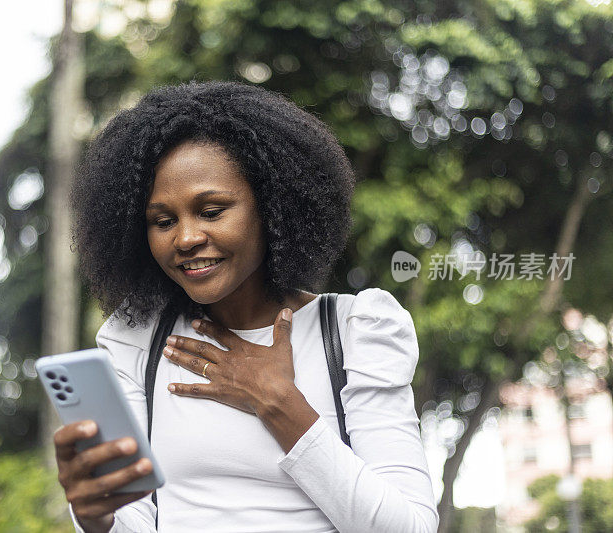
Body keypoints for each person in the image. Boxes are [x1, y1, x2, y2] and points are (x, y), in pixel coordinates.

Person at [54, 80, 438, 532]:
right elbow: (130, 519)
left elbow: (409, 528)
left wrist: (277, 401)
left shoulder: (357, 330)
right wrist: (95, 518)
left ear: (271, 207)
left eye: (212, 211)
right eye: (163, 221)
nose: (186, 238)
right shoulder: (138, 342)